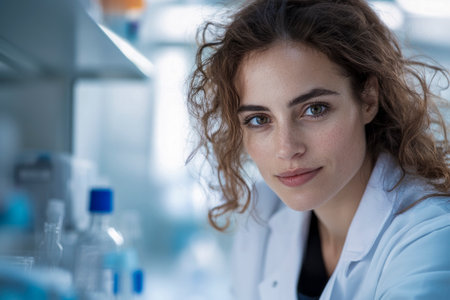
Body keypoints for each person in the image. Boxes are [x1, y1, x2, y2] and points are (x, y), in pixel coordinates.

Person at [186, 0, 450, 299]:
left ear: (368, 99)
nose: (286, 149)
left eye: (314, 109)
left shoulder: (431, 238)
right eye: (259, 119)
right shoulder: (261, 213)